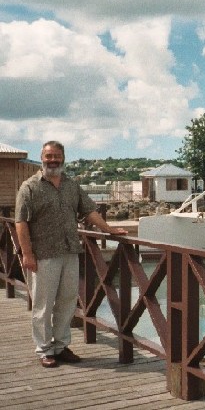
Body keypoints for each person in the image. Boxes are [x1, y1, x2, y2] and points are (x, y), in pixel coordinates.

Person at [15, 140, 128, 368]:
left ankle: (60, 345)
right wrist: (27, 254)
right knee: (43, 304)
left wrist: (109, 229)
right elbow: (21, 222)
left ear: (63, 158)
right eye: (49, 156)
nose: (53, 160)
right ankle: (45, 349)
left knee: (67, 301)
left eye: (57, 156)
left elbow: (89, 211)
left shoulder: (71, 185)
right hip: (43, 254)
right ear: (42, 158)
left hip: (70, 252)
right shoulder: (29, 187)